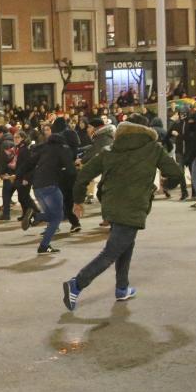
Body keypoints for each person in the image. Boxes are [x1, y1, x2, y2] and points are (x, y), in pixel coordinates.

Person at [62, 116, 185, 311]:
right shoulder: (153, 149)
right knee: (111, 251)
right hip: (134, 205)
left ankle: (122, 288)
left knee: (125, 244)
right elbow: (177, 173)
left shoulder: (109, 150)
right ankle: (76, 284)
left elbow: (83, 176)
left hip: (111, 205)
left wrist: (77, 200)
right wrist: (166, 185)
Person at [18, 122, 76, 254]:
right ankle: (43, 244)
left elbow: (30, 162)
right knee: (57, 216)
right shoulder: (64, 148)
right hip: (50, 186)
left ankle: (35, 218)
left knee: (52, 215)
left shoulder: (45, 147)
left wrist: (18, 174)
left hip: (37, 186)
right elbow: (71, 170)